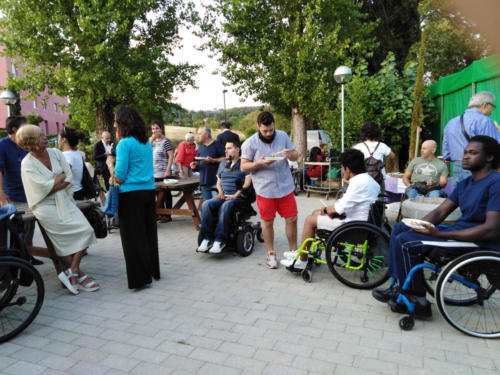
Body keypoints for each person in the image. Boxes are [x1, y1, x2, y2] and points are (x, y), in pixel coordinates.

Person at [372, 135, 500, 318]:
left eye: (472, 153)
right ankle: (399, 285)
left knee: (407, 242)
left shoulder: (496, 183)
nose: (465, 156)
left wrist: (437, 233)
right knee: (401, 228)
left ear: (489, 157)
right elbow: (440, 212)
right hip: (457, 231)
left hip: (479, 241)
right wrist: (419, 224)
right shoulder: (465, 183)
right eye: (465, 152)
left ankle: (418, 300)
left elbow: (491, 229)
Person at [17, 125, 99, 295]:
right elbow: (40, 190)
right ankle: (80, 275)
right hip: (44, 206)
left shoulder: (55, 153)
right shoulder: (27, 163)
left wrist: (54, 182)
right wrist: (57, 180)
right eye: (40, 136)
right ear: (30, 141)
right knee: (60, 242)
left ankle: (72, 271)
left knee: (86, 231)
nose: (46, 137)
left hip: (65, 200)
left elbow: (69, 178)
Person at [281, 149, 380, 269]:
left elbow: (339, 208)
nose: (342, 171)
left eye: (342, 168)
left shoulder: (357, 183)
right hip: (360, 221)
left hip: (350, 225)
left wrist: (325, 210)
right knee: (315, 213)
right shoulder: (369, 180)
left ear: (347, 169)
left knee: (309, 220)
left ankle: (302, 260)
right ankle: (305, 251)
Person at [241, 111, 299, 269]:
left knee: (292, 219)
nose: (268, 133)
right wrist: (259, 163)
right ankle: (271, 254)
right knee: (268, 222)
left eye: (271, 130)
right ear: (258, 126)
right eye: (264, 131)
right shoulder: (249, 143)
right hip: (265, 189)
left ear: (275, 126)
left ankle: (294, 252)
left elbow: (295, 156)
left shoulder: (283, 136)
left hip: (285, 187)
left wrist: (291, 154)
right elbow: (243, 166)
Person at [112, 106, 159, 290]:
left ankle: (140, 279)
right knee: (148, 235)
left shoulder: (124, 144)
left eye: (116, 121)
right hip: (148, 191)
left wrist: (110, 167)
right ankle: (153, 271)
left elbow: (120, 176)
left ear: (123, 123)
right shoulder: (145, 142)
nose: (115, 125)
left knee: (132, 239)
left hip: (131, 194)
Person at [0, 116, 41, 265]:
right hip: (12, 194)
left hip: (29, 192)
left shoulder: (25, 144)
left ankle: (28, 256)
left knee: (30, 225)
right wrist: (1, 193)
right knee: (16, 226)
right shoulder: (2, 145)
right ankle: (16, 259)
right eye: (24, 126)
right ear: (14, 129)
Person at [197, 140, 251, 254]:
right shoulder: (222, 164)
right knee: (206, 204)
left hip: (238, 197)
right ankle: (207, 238)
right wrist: (220, 192)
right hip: (223, 195)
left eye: (229, 148)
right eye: (226, 148)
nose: (226, 150)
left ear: (237, 149)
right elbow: (218, 182)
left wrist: (236, 194)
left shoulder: (244, 164)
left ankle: (220, 240)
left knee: (225, 206)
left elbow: (247, 184)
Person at [442, 91, 500, 185]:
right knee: (481, 199)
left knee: (461, 199)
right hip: (479, 169)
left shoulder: (451, 123)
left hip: (457, 168)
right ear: (485, 104)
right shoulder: (485, 121)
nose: (491, 111)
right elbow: (496, 148)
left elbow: (446, 154)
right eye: (492, 107)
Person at [352, 121, 395, 186]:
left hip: (363, 179)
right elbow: (392, 156)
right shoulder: (382, 146)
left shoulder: (358, 147)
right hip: (379, 179)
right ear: (377, 133)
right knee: (380, 196)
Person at [190, 127, 226, 202]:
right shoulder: (200, 148)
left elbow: (226, 158)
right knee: (207, 206)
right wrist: (194, 165)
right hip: (203, 182)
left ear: (206, 135)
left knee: (216, 205)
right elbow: (199, 164)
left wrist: (213, 160)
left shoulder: (217, 145)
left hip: (216, 182)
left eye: (199, 134)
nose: (197, 136)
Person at [149, 121, 175, 223]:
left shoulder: (166, 141)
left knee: (166, 194)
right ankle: (160, 213)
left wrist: (168, 170)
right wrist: (151, 139)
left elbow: (171, 156)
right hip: (152, 172)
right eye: (153, 129)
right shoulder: (151, 141)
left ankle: (168, 215)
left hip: (163, 172)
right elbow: (145, 151)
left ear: (161, 129)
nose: (155, 131)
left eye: (157, 128)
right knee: (156, 194)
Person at [58, 127, 87, 200]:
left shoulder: (65, 156)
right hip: (80, 191)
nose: (58, 142)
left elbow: (63, 177)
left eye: (58, 139)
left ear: (64, 140)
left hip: (70, 194)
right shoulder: (79, 153)